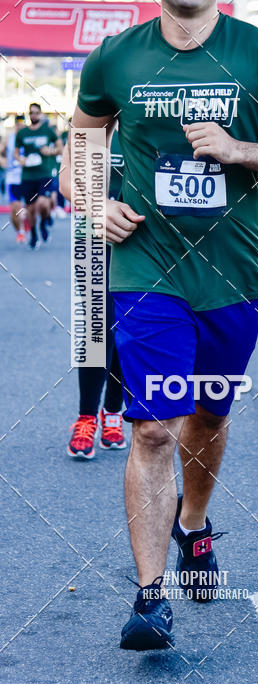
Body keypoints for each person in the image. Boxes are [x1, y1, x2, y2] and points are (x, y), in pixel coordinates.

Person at [60, 0, 258, 651]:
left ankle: (194, 523)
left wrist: (243, 149)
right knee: (151, 424)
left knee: (206, 418)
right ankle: (151, 596)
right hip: (147, 268)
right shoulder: (116, 58)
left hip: (233, 275)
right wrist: (93, 201)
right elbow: (79, 146)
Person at [67, 128, 126, 459]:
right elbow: (67, 183)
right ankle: (86, 417)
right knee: (95, 329)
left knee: (124, 331)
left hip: (140, 244)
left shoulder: (148, 120)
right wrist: (103, 207)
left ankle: (113, 413)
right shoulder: (89, 126)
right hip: (93, 241)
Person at [14, 102, 62, 250]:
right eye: (31, 113)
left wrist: (51, 151)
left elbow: (61, 148)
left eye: (36, 112)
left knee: (43, 203)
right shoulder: (22, 133)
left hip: (45, 174)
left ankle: (44, 222)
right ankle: (34, 233)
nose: (33, 115)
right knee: (30, 208)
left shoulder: (48, 131)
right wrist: (20, 159)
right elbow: (15, 153)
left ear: (40, 114)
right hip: (28, 176)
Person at [1, 114, 26, 243]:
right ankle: (20, 231)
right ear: (15, 125)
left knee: (26, 206)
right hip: (12, 177)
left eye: (22, 123)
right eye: (18, 123)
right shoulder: (9, 139)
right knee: (14, 211)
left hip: (27, 176)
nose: (20, 125)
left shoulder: (28, 137)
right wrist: (3, 162)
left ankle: (27, 222)